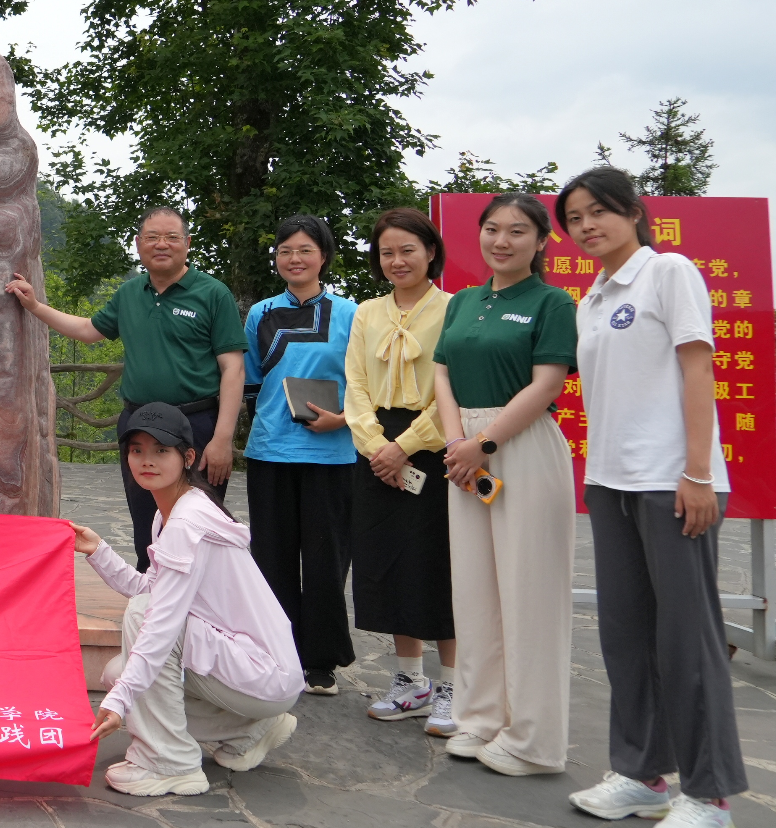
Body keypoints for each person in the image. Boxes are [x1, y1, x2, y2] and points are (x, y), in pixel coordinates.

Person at [558, 167, 744, 828]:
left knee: (688, 640)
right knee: (626, 637)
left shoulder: (668, 272)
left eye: (598, 211)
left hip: (673, 483)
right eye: (574, 217)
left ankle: (709, 794)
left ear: (633, 211)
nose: (586, 225)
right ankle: (642, 775)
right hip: (610, 482)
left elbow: (698, 367)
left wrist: (698, 472)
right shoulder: (591, 299)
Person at [76, 403, 302, 797]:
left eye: (161, 450)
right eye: (137, 450)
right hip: (256, 672)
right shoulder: (172, 512)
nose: (146, 460)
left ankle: (169, 762)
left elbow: (159, 619)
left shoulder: (185, 522)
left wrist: (122, 702)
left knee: (141, 632)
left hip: (262, 672)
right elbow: (151, 588)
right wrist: (98, 550)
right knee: (118, 672)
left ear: (188, 457)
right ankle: (251, 730)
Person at [6, 205, 246, 571]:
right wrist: (35, 305)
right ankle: (150, 595)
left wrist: (223, 438)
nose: (161, 244)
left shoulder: (213, 294)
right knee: (146, 523)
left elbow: (233, 367)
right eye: (152, 237)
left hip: (196, 425)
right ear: (138, 243)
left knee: (201, 523)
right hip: (140, 424)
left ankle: (202, 603)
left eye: (171, 237)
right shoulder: (131, 293)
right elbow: (89, 330)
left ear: (187, 243)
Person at [432, 192, 577, 776]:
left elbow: (547, 384)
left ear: (540, 241)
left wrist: (483, 444)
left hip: (520, 446)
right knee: (473, 590)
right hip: (463, 454)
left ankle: (534, 741)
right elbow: (441, 372)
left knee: (530, 592)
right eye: (492, 228)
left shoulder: (552, 302)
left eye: (518, 231)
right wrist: (456, 444)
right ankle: (480, 717)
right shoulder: (464, 301)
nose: (502, 240)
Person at [345, 208, 457, 735]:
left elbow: (452, 389)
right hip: (376, 450)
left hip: (434, 446)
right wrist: (377, 447)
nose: (397, 260)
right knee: (387, 563)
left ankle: (455, 685)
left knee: (438, 566)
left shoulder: (454, 309)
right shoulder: (368, 312)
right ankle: (411, 680)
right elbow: (355, 384)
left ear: (430, 251)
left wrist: (405, 446)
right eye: (387, 252)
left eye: (407, 250)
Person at [242, 214, 358, 697]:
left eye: (305, 250)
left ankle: (321, 660)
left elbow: (369, 385)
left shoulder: (352, 315)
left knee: (327, 560)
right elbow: (250, 382)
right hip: (270, 451)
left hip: (333, 455)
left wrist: (345, 418)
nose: (295, 258)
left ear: (323, 257)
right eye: (286, 250)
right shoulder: (260, 314)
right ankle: (277, 651)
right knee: (272, 558)